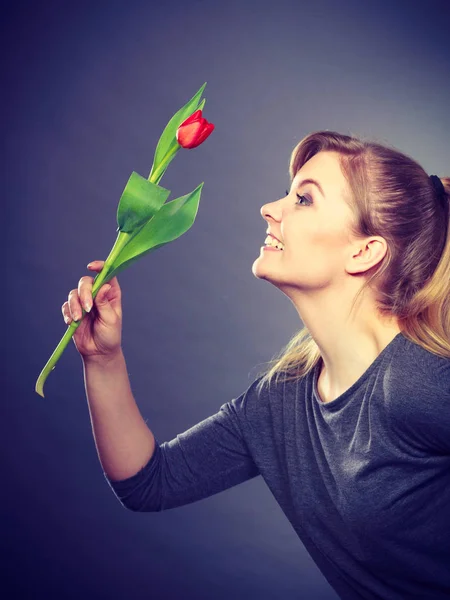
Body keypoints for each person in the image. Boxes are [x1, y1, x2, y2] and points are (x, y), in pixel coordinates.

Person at [62, 131, 450, 599]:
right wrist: (102, 359)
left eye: (304, 199)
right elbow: (149, 482)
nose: (271, 208)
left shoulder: (421, 382)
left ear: (364, 251)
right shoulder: (283, 399)